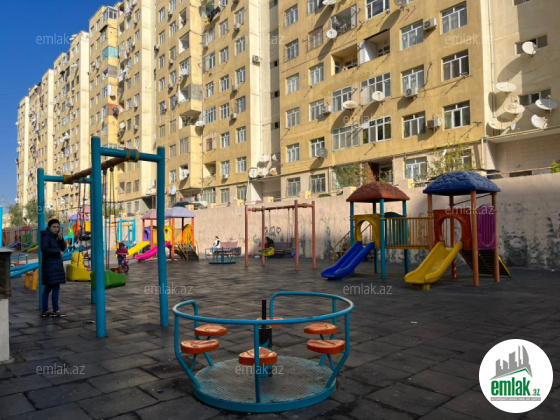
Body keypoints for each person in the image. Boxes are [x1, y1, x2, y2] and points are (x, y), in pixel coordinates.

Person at [40, 219, 67, 317]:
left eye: (57, 227)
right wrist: (57, 252)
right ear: (49, 227)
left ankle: (46, 310)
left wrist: (61, 239)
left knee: (49, 288)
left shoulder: (55, 237)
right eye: (54, 227)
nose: (56, 229)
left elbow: (63, 248)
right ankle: (56, 310)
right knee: (54, 288)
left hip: (54, 266)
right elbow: (45, 249)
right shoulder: (46, 236)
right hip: (50, 266)